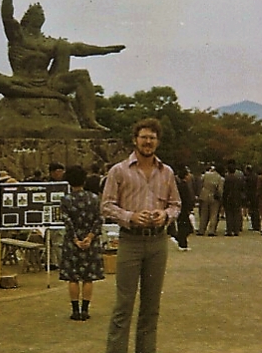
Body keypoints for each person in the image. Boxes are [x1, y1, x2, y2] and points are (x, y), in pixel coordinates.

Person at [0, 0, 125, 131]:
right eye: (36, 12)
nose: (40, 13)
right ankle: (34, 94)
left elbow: (78, 48)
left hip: (48, 83)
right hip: (21, 80)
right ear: (28, 18)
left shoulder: (50, 42)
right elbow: (7, 18)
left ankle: (89, 120)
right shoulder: (18, 36)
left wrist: (105, 50)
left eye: (42, 12)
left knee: (81, 75)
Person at [101, 118, 181, 353]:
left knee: (151, 305)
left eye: (152, 138)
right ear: (135, 139)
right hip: (130, 241)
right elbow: (106, 205)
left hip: (157, 241)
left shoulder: (166, 172)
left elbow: (176, 204)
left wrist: (164, 215)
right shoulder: (119, 171)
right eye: (144, 137)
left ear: (158, 141)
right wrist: (130, 216)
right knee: (123, 304)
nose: (148, 142)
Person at [59, 165, 104, 321]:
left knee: (73, 277)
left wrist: (75, 239)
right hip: (91, 242)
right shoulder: (94, 199)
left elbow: (67, 222)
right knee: (88, 277)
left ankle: (75, 310)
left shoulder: (66, 200)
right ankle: (85, 309)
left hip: (72, 242)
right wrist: (90, 237)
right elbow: (99, 219)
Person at [197, 165, 224, 236]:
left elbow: (200, 182)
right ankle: (211, 231)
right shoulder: (220, 178)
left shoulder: (206, 174)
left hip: (204, 195)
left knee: (204, 214)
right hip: (214, 197)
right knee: (213, 214)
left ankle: (201, 230)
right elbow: (220, 190)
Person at [222, 160, 245, 236]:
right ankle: (236, 230)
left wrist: (224, 199)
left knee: (229, 214)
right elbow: (242, 188)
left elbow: (225, 190)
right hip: (237, 197)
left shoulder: (227, 178)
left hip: (229, 198)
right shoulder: (239, 178)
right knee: (237, 214)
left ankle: (229, 230)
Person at [173, 167, 194, 251]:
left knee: (184, 226)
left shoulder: (181, 184)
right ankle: (181, 242)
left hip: (182, 208)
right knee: (185, 227)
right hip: (183, 208)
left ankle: (182, 242)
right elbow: (186, 198)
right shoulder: (183, 185)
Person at [244, 164, 260, 231]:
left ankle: (254, 225)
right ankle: (257, 225)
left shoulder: (248, 178)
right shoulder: (256, 176)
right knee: (256, 211)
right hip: (256, 195)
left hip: (250, 196)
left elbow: (246, 188)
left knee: (252, 211)